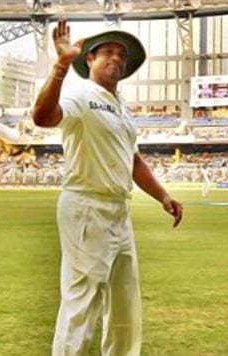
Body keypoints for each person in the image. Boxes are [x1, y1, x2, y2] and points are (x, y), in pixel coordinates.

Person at [31, 20, 183, 356]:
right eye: (107, 52)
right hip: (86, 205)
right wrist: (60, 65)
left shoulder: (121, 107)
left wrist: (163, 195)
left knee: (124, 301)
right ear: (90, 60)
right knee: (83, 300)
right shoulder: (81, 95)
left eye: (121, 55)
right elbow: (42, 117)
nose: (116, 58)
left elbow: (133, 161)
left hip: (118, 209)